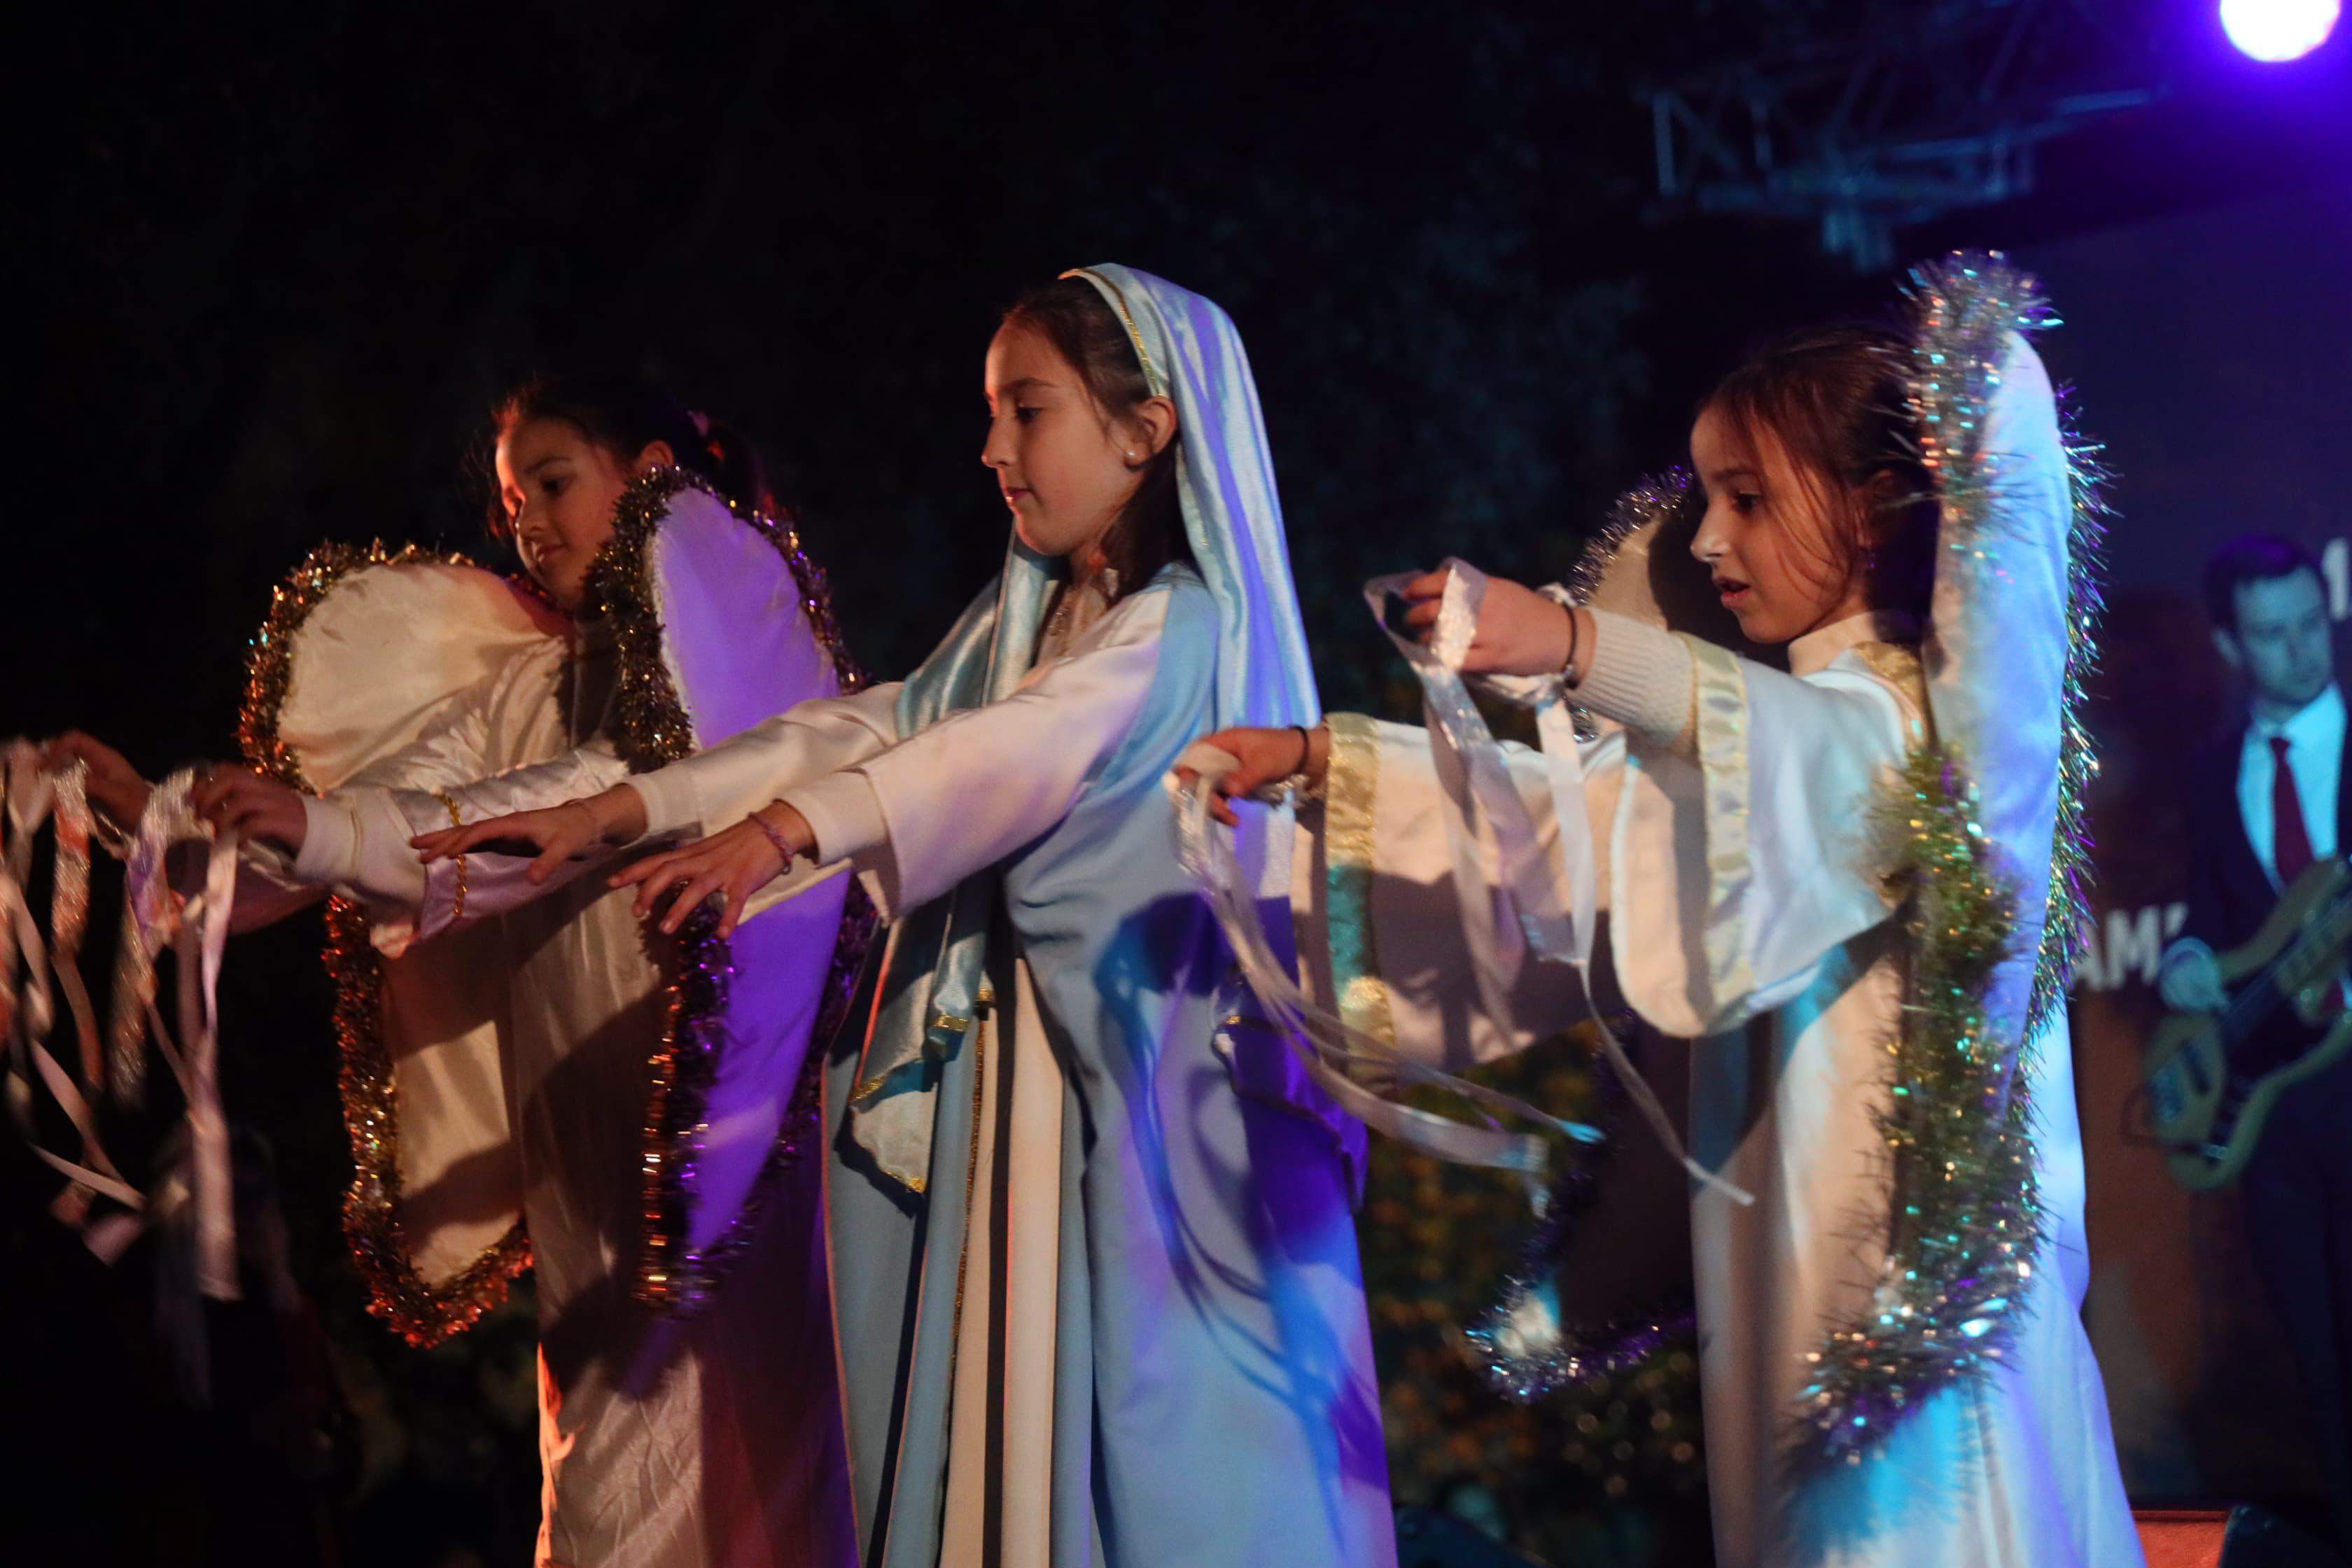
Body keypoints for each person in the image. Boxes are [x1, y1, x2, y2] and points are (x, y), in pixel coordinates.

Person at [416, 267, 1396, 1568]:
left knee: (1134, 1468)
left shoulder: (1182, 630)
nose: (991, 450)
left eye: (1025, 411)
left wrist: (781, 833)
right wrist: (629, 812)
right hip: (1024, 1103)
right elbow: (886, 720)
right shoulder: (1039, 621)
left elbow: (1014, 749)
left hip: (1120, 1127)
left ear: (1145, 429)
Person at [1191, 256, 2143, 1567]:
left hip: (1911, 1328)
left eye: (1748, 498)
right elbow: (1579, 828)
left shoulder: (1926, 738)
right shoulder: (1758, 754)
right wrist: (1317, 763)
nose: (1706, 539)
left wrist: (1576, 645)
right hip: (1784, 1302)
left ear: (1876, 507)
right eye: (1706, 498)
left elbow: (1804, 751)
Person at [49, 372, 865, 1568]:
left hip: (739, 1147)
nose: (527, 521)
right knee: (603, 1488)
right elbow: (363, 836)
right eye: (508, 500)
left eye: (552, 482)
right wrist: (160, 823)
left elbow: (565, 807)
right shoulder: (518, 682)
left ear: (648, 479)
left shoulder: (738, 640)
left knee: (779, 1475)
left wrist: (333, 834)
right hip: (587, 1159)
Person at [2157, 534, 2352, 1553]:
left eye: (2311, 624)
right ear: (2232, 644)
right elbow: (2209, 913)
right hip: (2274, 1117)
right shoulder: (2207, 771)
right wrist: (2188, 958)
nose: (2301, 651)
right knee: (2321, 1368)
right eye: (2271, 635)